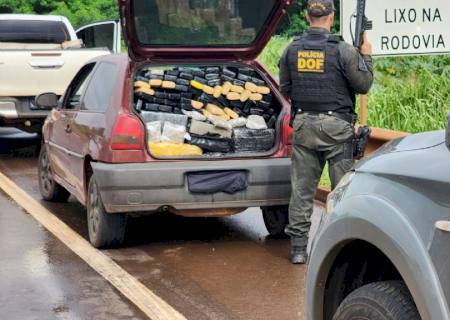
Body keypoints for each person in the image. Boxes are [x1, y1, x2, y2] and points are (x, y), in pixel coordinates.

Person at [279, 0, 374, 264]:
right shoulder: (343, 50)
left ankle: (299, 249)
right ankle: (340, 252)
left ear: (309, 18)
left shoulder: (291, 49)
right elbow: (364, 85)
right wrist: (366, 55)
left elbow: (285, 88)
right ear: (331, 18)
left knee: (301, 191)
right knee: (341, 191)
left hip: (303, 127)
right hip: (336, 129)